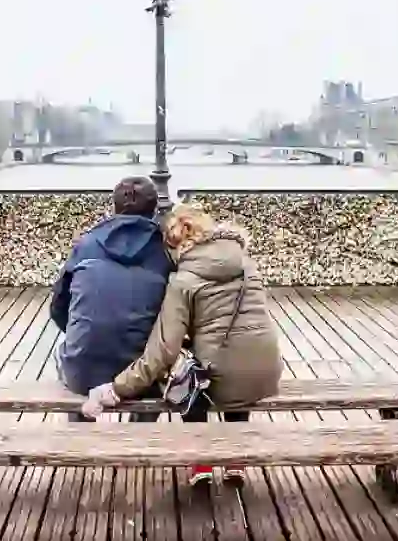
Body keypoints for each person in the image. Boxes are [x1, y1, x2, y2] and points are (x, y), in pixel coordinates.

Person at [81, 202, 282, 485]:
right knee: (237, 357)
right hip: (267, 371)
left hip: (221, 379)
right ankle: (236, 459)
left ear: (175, 245)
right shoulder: (246, 264)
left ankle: (201, 462)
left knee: (188, 374)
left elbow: (163, 350)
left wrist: (116, 388)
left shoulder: (183, 280)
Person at [50, 176, 172, 423]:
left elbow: (59, 308)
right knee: (153, 376)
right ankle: (141, 435)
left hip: (84, 369)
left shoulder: (87, 244)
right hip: (141, 371)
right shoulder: (164, 249)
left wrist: (85, 330)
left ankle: (79, 435)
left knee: (66, 355)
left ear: (114, 207)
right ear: (155, 210)